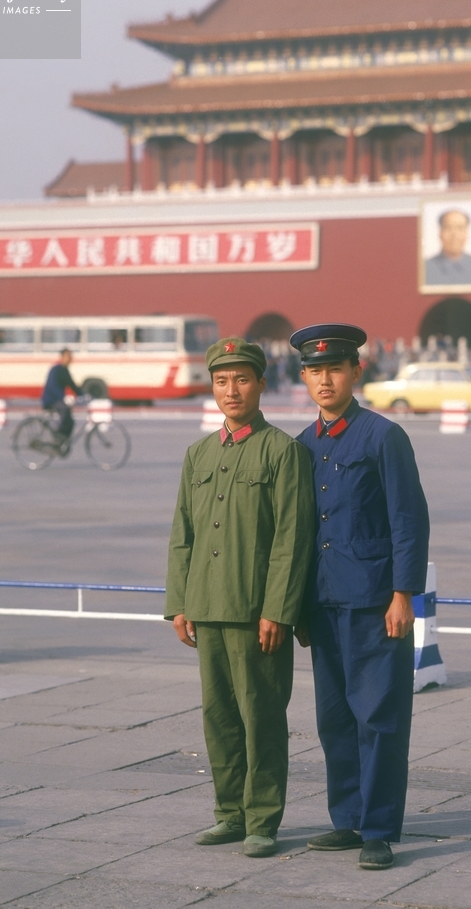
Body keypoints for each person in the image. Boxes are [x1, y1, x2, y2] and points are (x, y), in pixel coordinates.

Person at [165, 337, 315, 859]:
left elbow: (292, 538)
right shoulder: (198, 454)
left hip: (256, 613)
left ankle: (262, 820)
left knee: (262, 718)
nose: (232, 390)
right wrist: (179, 602)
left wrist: (278, 609)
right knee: (220, 717)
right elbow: (182, 533)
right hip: (206, 607)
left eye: (242, 379)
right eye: (222, 381)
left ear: (261, 385)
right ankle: (229, 813)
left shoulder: (283, 451)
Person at [290, 322, 430, 871]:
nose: (325, 380)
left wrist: (404, 594)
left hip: (375, 602)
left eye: (335, 369)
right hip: (324, 603)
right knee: (334, 719)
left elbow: (408, 520)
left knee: (379, 718)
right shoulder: (303, 445)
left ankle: (378, 830)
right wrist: (297, 606)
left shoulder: (382, 437)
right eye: (315, 371)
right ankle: (347, 820)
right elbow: (301, 532)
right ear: (304, 378)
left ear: (356, 372)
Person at [424, 209, 471, 286]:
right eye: (448, 228)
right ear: (440, 232)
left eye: (460, 228)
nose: (454, 234)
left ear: (467, 233)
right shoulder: (425, 268)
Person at [41, 348, 82, 449]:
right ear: (62, 357)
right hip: (50, 400)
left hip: (58, 399)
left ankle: (64, 440)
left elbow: (72, 385)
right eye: (68, 356)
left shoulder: (65, 370)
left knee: (71, 421)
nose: (70, 359)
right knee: (65, 409)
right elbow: (52, 386)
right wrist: (64, 397)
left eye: (70, 357)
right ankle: (58, 437)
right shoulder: (55, 369)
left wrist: (83, 395)